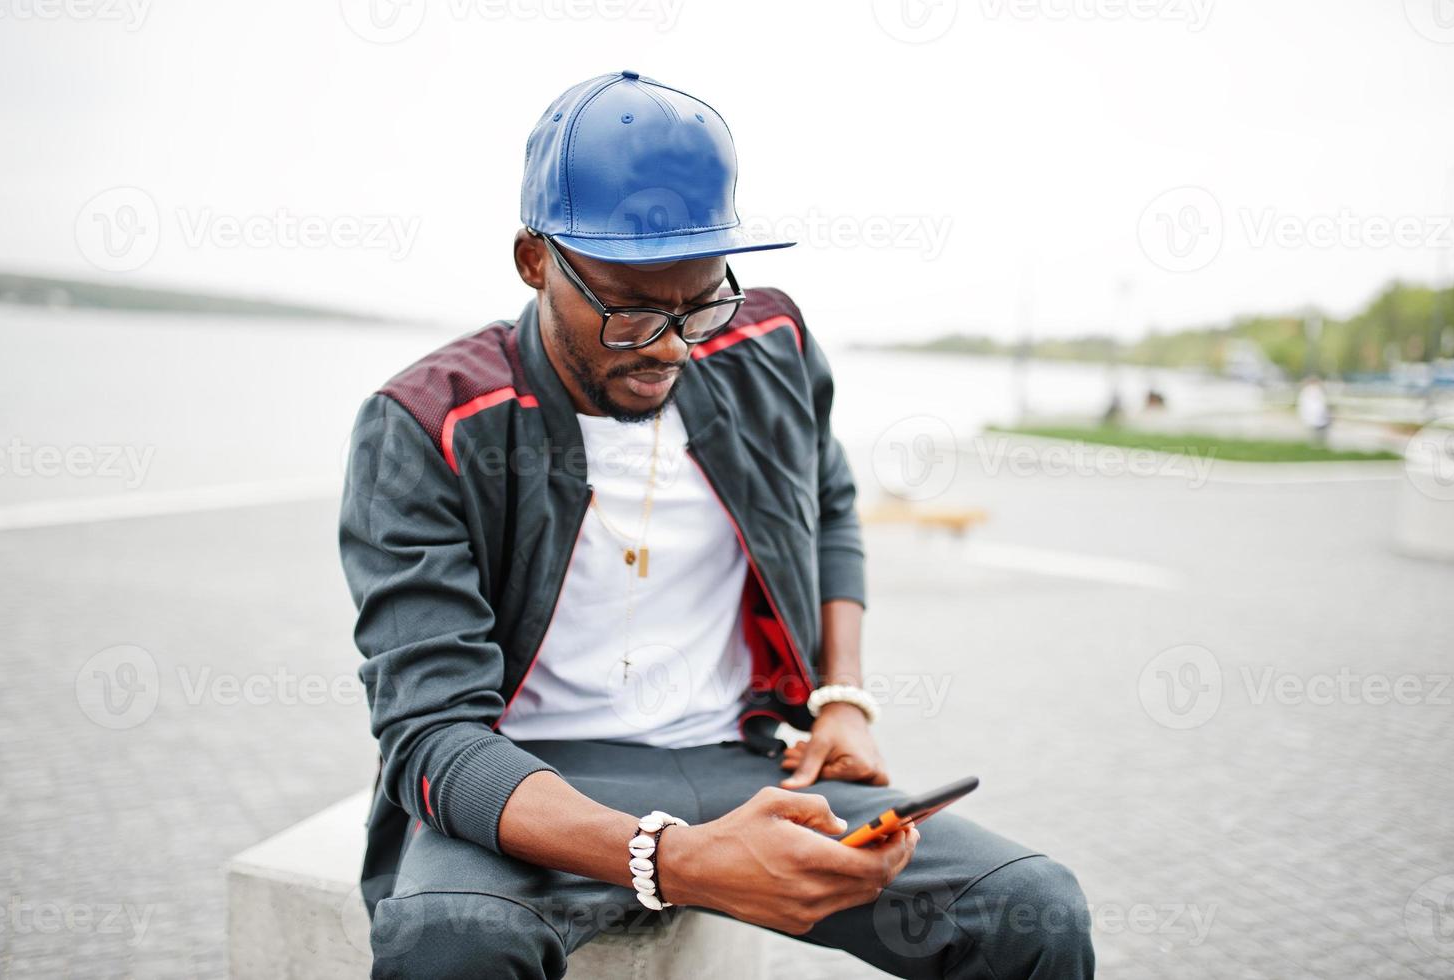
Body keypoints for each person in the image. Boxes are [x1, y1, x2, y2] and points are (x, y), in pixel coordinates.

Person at [338, 70, 1094, 979]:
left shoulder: (765, 344)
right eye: (630, 307)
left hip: (746, 759)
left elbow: (829, 507)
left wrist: (841, 701)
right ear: (534, 260)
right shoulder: (426, 424)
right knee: (446, 946)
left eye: (699, 299)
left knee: (1034, 913)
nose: (670, 345)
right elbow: (430, 738)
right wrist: (678, 860)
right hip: (533, 778)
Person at [1296, 375, 1331, 444]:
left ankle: (1315, 442)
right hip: (1317, 414)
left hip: (1315, 414)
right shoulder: (1316, 390)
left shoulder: (1307, 390)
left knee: (1315, 429)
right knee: (1318, 429)